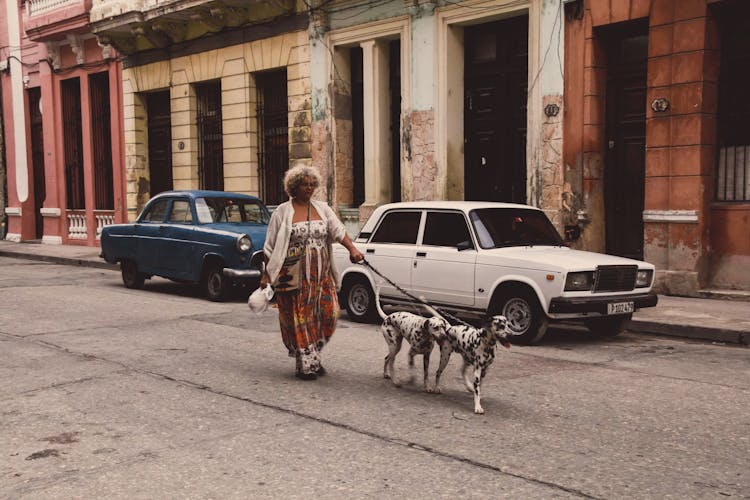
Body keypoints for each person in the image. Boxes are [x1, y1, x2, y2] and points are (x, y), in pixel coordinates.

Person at [260, 165, 364, 380]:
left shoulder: (323, 208)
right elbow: (269, 247)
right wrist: (266, 276)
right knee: (300, 318)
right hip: (294, 275)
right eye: (303, 185)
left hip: (321, 274)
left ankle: (313, 355)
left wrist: (352, 248)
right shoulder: (282, 212)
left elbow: (338, 230)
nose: (308, 188)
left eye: (311, 185)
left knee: (328, 313)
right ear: (294, 187)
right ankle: (306, 364)